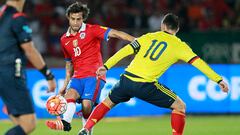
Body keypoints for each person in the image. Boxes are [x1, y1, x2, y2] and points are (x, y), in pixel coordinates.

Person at [78, 13, 229, 135]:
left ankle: (86, 128)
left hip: (126, 79)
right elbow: (199, 63)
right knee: (180, 106)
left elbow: (126, 50)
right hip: (145, 84)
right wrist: (218, 80)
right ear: (176, 30)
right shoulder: (180, 46)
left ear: (162, 25)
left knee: (107, 102)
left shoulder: (148, 37)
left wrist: (106, 66)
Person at [46, 2, 135, 134]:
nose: (76, 22)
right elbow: (69, 64)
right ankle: (66, 123)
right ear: (68, 18)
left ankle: (86, 131)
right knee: (69, 96)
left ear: (83, 18)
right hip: (77, 76)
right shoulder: (64, 39)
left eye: (79, 19)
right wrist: (65, 84)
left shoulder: (92, 30)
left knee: (86, 106)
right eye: (73, 19)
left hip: (95, 75)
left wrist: (135, 40)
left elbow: (115, 33)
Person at [0, 0, 57, 135]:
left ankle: (11, 107)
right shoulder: (17, 18)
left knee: (19, 122)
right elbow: (29, 50)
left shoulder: (2, 14)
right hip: (10, 72)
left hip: (3, 73)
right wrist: (48, 75)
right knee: (28, 123)